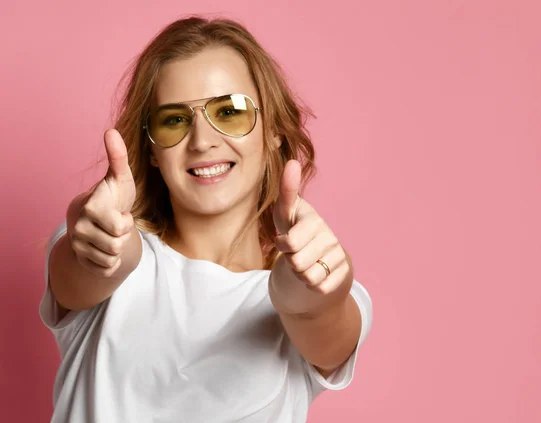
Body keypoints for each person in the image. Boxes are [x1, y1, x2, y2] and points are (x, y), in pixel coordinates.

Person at [40, 15, 373, 423]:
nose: (202, 140)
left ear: (274, 131)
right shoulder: (110, 253)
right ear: (150, 151)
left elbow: (319, 314)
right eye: (175, 119)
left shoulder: (330, 290)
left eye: (230, 111)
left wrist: (305, 289)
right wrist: (99, 239)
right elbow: (96, 263)